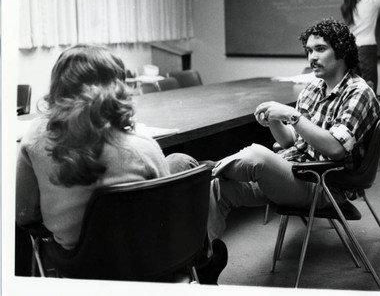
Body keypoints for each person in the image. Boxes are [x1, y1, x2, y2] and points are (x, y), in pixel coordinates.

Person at [15, 44, 227, 284]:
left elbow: (24, 216)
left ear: (59, 85)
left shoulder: (34, 140)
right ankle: (204, 260)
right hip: (151, 258)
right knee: (180, 163)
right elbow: (165, 212)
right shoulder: (144, 146)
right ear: (117, 86)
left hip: (79, 262)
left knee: (177, 163)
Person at [207, 18, 380, 241]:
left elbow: (336, 149)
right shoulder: (312, 89)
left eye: (320, 49)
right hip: (293, 173)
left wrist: (292, 115)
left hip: (325, 186)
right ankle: (207, 259)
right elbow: (292, 142)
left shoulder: (359, 93)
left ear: (342, 51)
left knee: (257, 155)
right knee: (217, 189)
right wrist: (274, 120)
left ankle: (205, 169)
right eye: (309, 51)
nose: (312, 57)